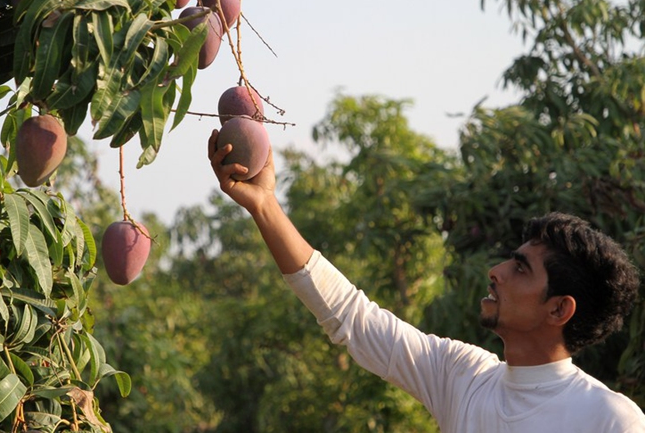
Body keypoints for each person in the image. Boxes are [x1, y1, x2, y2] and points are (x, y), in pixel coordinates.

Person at [208, 131, 645, 433]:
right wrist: (264, 206)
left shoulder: (610, 419)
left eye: (521, 268)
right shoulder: (464, 376)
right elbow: (350, 316)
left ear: (559, 309)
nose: (496, 272)